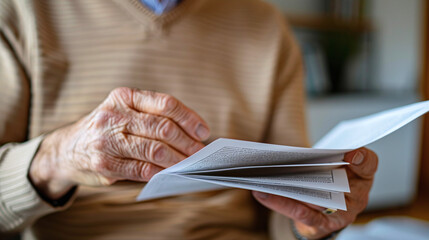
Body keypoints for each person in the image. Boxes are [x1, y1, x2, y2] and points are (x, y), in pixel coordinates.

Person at [0, 0, 378, 239]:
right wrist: (57, 156)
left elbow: (283, 211)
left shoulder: (267, 27)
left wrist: (311, 221)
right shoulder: (23, 12)